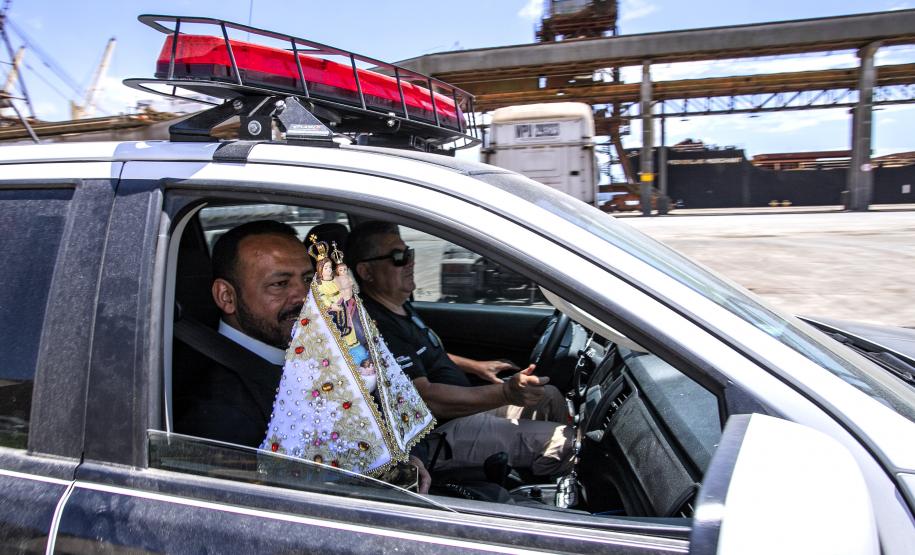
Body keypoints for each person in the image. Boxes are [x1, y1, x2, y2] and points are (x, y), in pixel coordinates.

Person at [174, 220, 432, 490]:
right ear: (227, 296)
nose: (303, 296)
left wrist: (411, 459)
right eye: (280, 284)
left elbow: (392, 413)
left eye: (308, 279)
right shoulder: (218, 410)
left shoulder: (322, 346)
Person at [347, 221, 573, 477]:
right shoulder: (374, 327)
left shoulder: (397, 306)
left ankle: (534, 471)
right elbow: (427, 399)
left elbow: (423, 355)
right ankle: (537, 501)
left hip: (460, 407)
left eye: (409, 252)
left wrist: (475, 366)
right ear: (366, 271)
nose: (410, 262)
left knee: (549, 397)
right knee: (565, 443)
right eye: (398, 257)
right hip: (438, 431)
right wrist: (506, 393)